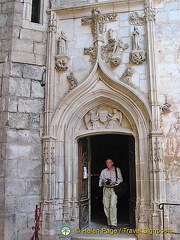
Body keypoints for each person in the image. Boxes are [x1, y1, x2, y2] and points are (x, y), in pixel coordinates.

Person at [99, 158, 123, 229]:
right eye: (107, 162)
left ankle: (113, 223)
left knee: (112, 205)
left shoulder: (117, 170)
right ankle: (109, 222)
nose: (108, 164)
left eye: (109, 162)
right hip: (106, 189)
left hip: (113, 189)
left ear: (112, 163)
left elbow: (120, 179)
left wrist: (114, 182)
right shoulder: (103, 171)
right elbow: (100, 181)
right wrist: (103, 181)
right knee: (106, 206)